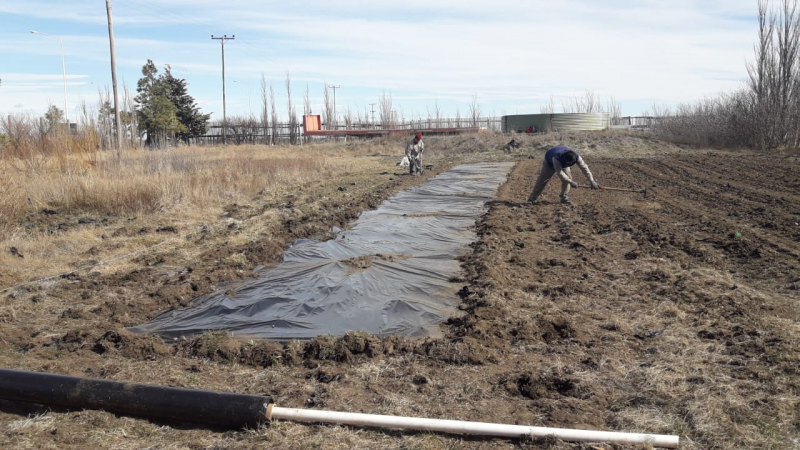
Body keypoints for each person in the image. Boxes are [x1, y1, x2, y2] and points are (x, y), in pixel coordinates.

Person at [528, 145, 600, 204]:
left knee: (568, 179)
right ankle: (532, 199)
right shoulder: (557, 157)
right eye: (567, 162)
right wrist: (571, 182)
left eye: (570, 163)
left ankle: (564, 198)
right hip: (549, 163)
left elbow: (584, 168)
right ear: (565, 159)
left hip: (563, 164)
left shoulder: (577, 157)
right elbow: (559, 173)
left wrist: (592, 180)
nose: (569, 164)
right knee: (542, 180)